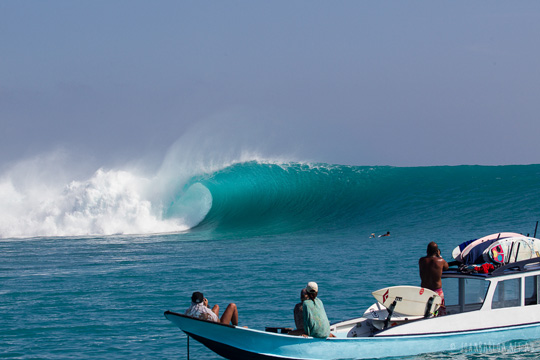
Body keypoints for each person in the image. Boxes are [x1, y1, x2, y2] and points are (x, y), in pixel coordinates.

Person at [419, 242, 449, 315]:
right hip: (437, 291)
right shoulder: (440, 261)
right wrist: (439, 256)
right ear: (437, 251)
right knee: (440, 313)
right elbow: (446, 267)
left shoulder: (421, 260)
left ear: (427, 251)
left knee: (425, 312)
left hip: (424, 291)